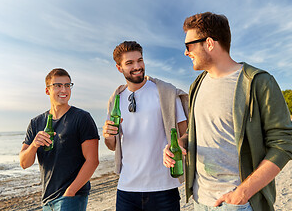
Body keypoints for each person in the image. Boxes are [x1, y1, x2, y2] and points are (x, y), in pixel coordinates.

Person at [163, 12, 292, 211]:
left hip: (239, 203)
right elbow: (197, 131)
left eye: (188, 46)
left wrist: (242, 193)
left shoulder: (258, 82)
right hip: (200, 200)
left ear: (209, 43)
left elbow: (283, 144)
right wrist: (181, 142)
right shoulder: (196, 86)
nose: (185, 53)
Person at [103, 41, 188, 211]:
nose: (137, 66)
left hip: (164, 187)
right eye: (130, 63)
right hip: (127, 188)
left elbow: (186, 134)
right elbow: (112, 146)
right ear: (119, 68)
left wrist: (178, 145)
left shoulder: (166, 92)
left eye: (140, 60)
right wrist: (107, 136)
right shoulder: (116, 99)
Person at [19, 68, 100, 211]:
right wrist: (34, 145)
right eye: (58, 85)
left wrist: (70, 192)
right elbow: (24, 163)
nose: (64, 89)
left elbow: (92, 161)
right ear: (47, 90)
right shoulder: (36, 123)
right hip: (47, 199)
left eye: (67, 85)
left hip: (71, 198)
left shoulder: (82, 118)